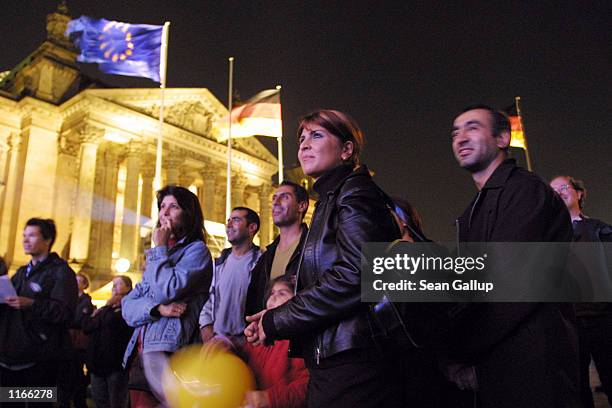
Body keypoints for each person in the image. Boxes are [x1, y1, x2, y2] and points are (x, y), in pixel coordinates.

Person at [245, 109, 402, 407]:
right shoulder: (331, 199)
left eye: (316, 135)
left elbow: (358, 274)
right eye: (302, 138)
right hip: (334, 357)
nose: (303, 145)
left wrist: (279, 319)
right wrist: (272, 317)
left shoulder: (355, 193)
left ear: (346, 150)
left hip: (354, 360)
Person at [449, 105, 579, 407]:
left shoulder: (525, 190)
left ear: (503, 138)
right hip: (498, 361)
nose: (461, 138)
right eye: (455, 132)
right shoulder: (474, 208)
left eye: (473, 127)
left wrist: (461, 350)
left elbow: (510, 284)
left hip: (534, 361)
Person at [122, 185, 213, 407]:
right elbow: (127, 306)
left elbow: (167, 290)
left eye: (173, 206)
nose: (165, 212)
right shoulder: (157, 257)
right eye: (163, 206)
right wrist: (157, 309)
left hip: (172, 353)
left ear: (188, 213)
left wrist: (160, 248)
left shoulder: (196, 251)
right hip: (142, 354)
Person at [0, 218, 78, 407]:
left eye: (32, 235)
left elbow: (65, 312)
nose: (25, 241)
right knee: (10, 402)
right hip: (11, 358)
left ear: (48, 239)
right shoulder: (21, 272)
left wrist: (32, 304)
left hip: (41, 359)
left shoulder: (62, 272)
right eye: (24, 236)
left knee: (38, 404)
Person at [550, 175, 612, 407]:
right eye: (553, 191)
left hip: (603, 318)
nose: (558, 193)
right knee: (576, 388)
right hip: (568, 323)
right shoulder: (548, 236)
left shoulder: (600, 229)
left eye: (563, 187)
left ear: (579, 193)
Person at [241, 275, 309, 408]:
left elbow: (309, 386)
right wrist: (227, 345)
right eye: (271, 293)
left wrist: (270, 398)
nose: (273, 297)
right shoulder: (260, 333)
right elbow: (243, 357)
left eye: (282, 293)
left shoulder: (301, 339)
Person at [245, 181, 309, 317]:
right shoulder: (266, 257)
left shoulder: (315, 248)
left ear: (301, 206)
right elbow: (254, 301)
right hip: (271, 334)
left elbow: (366, 286)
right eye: (274, 198)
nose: (275, 202)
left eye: (284, 197)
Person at [199, 207, 262, 345]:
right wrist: (205, 327)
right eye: (228, 220)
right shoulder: (219, 263)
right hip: (217, 341)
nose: (228, 225)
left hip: (247, 343)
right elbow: (208, 299)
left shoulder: (262, 263)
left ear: (252, 227)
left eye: (236, 220)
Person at [81, 275, 134, 408]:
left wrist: (103, 312)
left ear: (128, 287)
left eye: (118, 284)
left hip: (116, 365)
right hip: (97, 363)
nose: (114, 287)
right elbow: (87, 326)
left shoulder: (130, 308)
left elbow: (115, 326)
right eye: (113, 284)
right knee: (99, 401)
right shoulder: (106, 308)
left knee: (117, 402)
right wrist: (105, 308)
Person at [59, 272, 95, 408]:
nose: (76, 283)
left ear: (85, 285)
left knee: (76, 374)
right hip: (65, 343)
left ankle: (78, 400)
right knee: (64, 374)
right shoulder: (68, 298)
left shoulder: (86, 301)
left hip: (77, 344)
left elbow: (78, 319)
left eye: (79, 281)